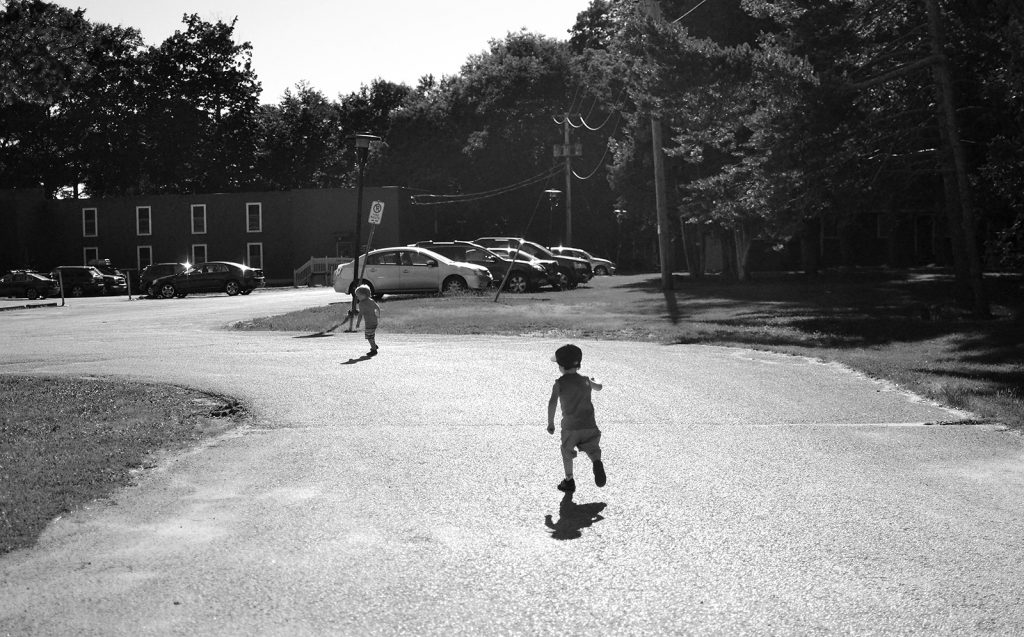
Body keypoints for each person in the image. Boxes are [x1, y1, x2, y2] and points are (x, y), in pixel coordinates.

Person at [547, 343, 605, 492]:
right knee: (592, 448)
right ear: (579, 364)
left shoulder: (559, 383)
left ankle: (569, 480)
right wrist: (595, 380)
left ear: (561, 366)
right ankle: (596, 462)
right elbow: (599, 387)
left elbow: (552, 403)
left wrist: (550, 423)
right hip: (589, 425)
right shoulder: (586, 380)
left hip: (570, 428)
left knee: (566, 451)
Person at [353, 284, 380, 356]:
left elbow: (360, 315)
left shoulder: (361, 303)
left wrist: (358, 323)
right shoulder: (371, 300)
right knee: (371, 335)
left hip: (369, 323)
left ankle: (374, 350)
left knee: (369, 336)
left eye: (358, 296)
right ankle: (374, 345)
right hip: (374, 322)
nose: (357, 297)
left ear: (364, 295)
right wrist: (378, 315)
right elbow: (377, 308)